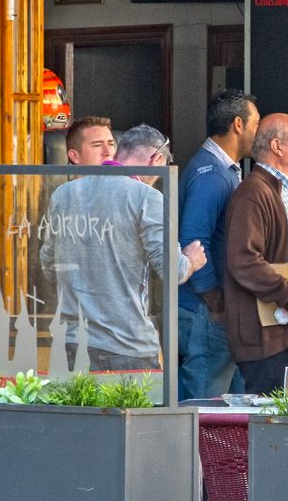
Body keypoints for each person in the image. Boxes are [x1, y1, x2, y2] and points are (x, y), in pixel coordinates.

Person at [41, 124, 206, 372]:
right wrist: (191, 260)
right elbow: (174, 271)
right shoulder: (146, 197)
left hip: (73, 341)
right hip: (128, 344)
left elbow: (47, 264)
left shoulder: (63, 195)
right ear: (157, 159)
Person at [223, 113, 288, 394]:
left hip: (283, 331)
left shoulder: (283, 189)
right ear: (277, 146)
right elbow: (243, 260)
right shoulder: (253, 192)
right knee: (273, 417)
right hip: (264, 338)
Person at [178, 90, 260, 400]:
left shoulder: (221, 170)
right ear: (238, 124)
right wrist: (215, 301)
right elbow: (194, 241)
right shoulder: (211, 174)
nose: (259, 132)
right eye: (256, 123)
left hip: (207, 307)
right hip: (202, 310)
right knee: (204, 401)